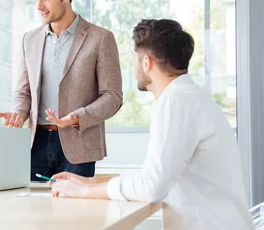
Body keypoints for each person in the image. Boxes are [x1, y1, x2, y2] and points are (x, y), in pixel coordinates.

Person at [50, 19, 253, 230]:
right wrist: (89, 182)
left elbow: (151, 187)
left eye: (134, 58)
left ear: (146, 62)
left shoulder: (176, 102)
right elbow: (155, 175)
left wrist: (84, 192)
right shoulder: (188, 97)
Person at [0, 0, 123, 181]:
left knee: (74, 212)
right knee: (32, 212)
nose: (39, 6)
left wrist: (76, 118)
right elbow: (23, 91)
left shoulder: (100, 38)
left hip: (78, 144)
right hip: (35, 143)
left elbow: (113, 97)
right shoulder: (30, 39)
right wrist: (18, 113)